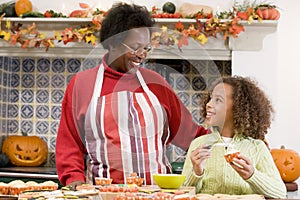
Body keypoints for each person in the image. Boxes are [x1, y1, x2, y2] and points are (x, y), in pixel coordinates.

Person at [55, 2, 209, 188]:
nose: (141, 55)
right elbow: (69, 144)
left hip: (157, 194)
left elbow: (191, 135)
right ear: (112, 43)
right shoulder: (82, 84)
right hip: (103, 194)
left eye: (146, 48)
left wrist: (229, 139)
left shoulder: (156, 83)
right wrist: (76, 183)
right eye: (135, 47)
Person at [182, 76, 287, 199]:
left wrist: (252, 175)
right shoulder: (198, 144)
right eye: (210, 98)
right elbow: (183, 193)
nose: (209, 104)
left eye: (218, 100)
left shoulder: (257, 147)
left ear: (238, 108)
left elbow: (280, 193)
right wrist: (197, 172)